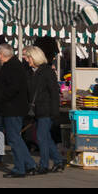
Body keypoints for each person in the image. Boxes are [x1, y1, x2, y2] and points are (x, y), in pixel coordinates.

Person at [0, 43, 35, 178]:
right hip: (14, 107)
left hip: (12, 108)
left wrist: (1, 97)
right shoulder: (15, 65)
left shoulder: (11, 67)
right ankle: (30, 164)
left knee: (14, 139)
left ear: (1, 55)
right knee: (16, 138)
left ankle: (20, 168)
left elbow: (13, 88)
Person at [25, 46, 62, 174]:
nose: (26, 59)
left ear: (34, 57)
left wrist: (55, 112)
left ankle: (44, 165)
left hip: (46, 110)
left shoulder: (46, 71)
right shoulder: (31, 71)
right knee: (45, 137)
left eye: (28, 57)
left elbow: (54, 93)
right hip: (37, 110)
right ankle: (58, 161)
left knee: (41, 137)